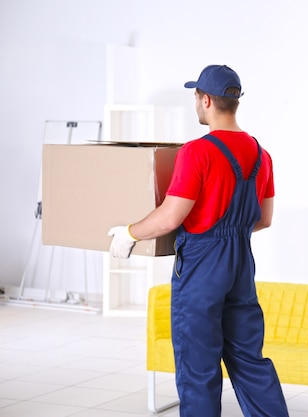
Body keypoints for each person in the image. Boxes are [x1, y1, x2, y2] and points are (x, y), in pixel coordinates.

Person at [107, 64, 289, 417]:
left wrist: (130, 232)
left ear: (205, 100)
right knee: (249, 361)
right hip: (240, 265)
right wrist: (229, 232)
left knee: (199, 366)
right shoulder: (260, 154)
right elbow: (263, 220)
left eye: (196, 96)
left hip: (203, 266)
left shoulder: (196, 152)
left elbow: (171, 216)